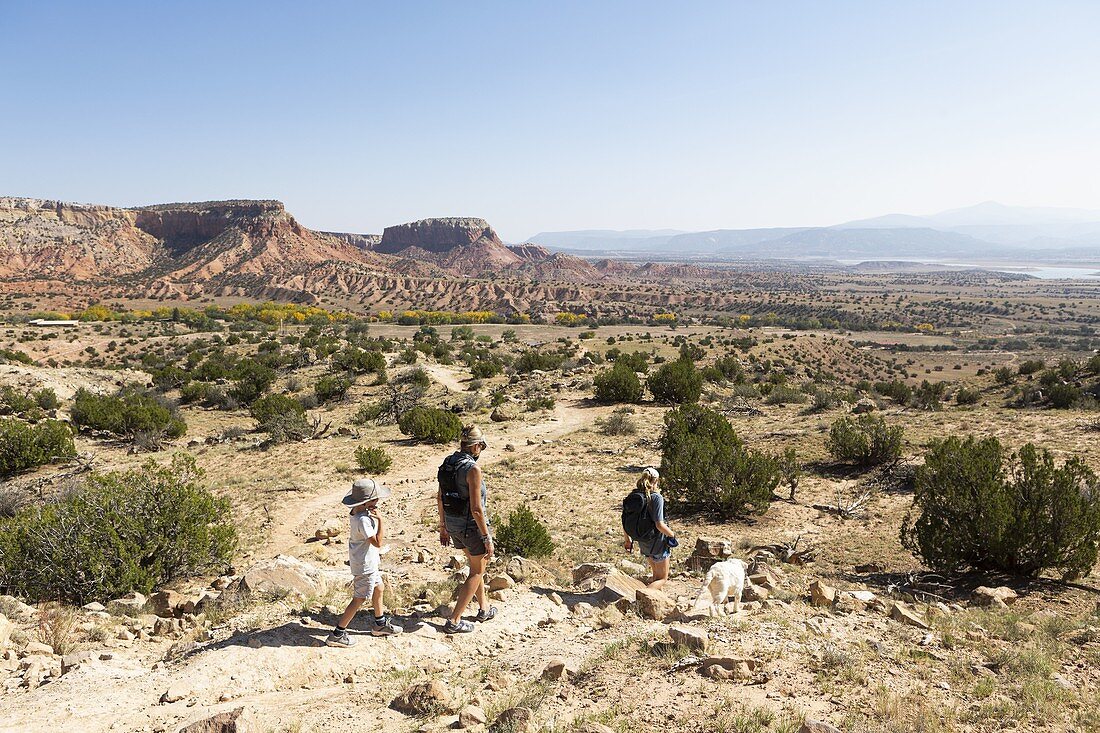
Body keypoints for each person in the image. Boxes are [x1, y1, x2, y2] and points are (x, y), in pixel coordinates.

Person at [327, 478, 403, 647]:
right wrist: (381, 520)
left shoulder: (356, 512)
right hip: (365, 565)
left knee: (379, 587)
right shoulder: (363, 520)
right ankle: (338, 633)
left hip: (365, 562)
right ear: (367, 501)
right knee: (359, 598)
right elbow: (377, 542)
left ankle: (380, 624)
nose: (378, 501)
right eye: (375, 498)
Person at [437, 424, 497, 634]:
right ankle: (454, 620)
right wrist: (487, 537)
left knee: (475, 566)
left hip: (452, 524)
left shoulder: (447, 463)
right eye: (480, 446)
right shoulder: (472, 469)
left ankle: (484, 608)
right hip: (469, 526)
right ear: (475, 447)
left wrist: (443, 526)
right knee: (478, 570)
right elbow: (477, 509)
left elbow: (440, 496)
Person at [622, 467, 677, 589]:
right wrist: (672, 535)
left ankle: (655, 601)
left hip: (643, 542)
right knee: (662, 578)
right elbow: (659, 524)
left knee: (656, 576)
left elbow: (625, 520)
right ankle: (641, 600)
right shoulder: (656, 498)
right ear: (656, 481)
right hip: (657, 542)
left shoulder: (633, 496)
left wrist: (627, 540)